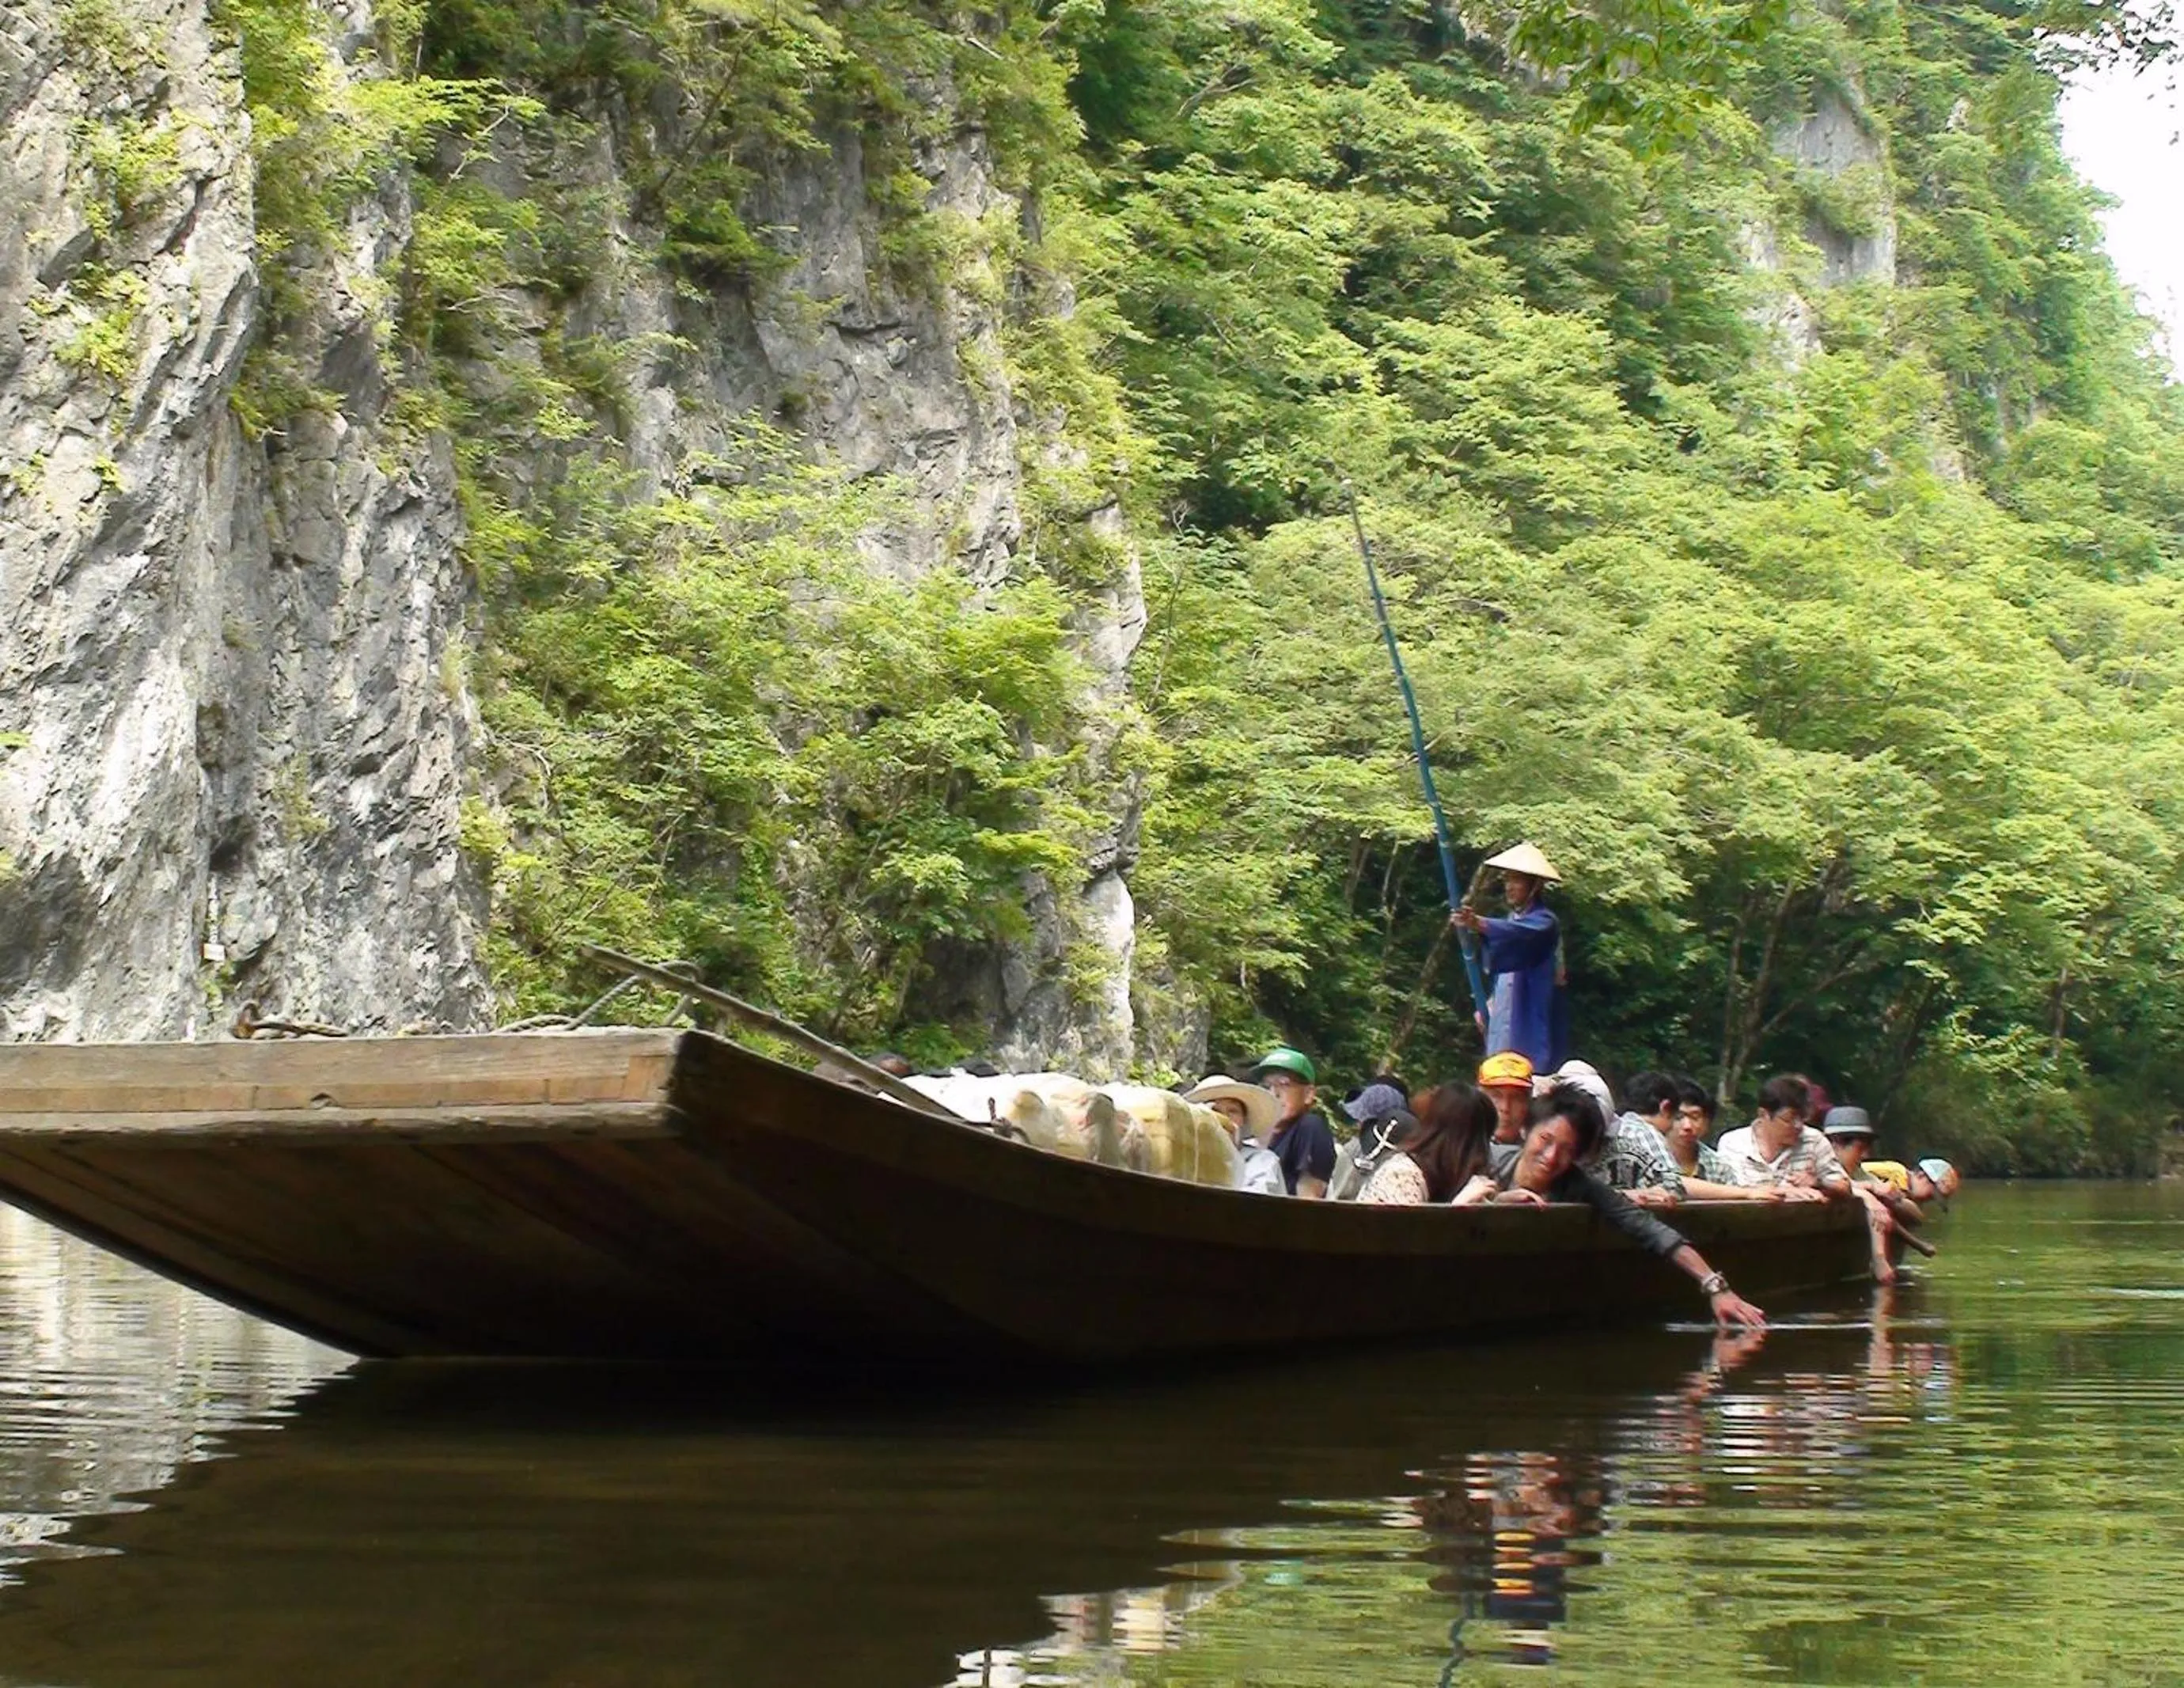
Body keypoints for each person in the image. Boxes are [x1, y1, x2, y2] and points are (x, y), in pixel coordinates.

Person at [1487, 1084, 1768, 1327]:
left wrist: (1716, 1286)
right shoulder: (1485, 1158)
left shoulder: (1578, 1184)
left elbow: (1650, 1229)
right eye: (1545, 1140)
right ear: (1526, 1131)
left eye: (1567, 1150)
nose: (1551, 1157)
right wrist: (1495, 1202)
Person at [1450, 842, 1565, 1069]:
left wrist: (1478, 923)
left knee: (1524, 1073)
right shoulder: (1511, 920)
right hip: (1503, 1019)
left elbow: (1517, 935)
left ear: (1535, 885)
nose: (1509, 887)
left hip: (1528, 1021)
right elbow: (1505, 970)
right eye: (1507, 880)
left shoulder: (1544, 922)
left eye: (1517, 880)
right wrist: (1491, 1003)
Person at [1546, 1060, 1682, 1205]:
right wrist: (1621, 1196)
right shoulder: (1546, 1149)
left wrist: (1658, 1193)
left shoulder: (1626, 1152)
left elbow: (1673, 1184)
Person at [1713, 1074, 1854, 1200]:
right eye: (1788, 1119)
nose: (1798, 1125)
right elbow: (1724, 1191)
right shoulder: (1733, 1143)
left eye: (1802, 1117)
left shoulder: (1814, 1141)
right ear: (1764, 1115)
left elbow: (1844, 1187)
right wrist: (1781, 1192)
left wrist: (1820, 1184)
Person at [1359, 1083, 1501, 1204]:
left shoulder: (1442, 1176)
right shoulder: (1402, 1176)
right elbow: (1401, 1235)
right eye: (1481, 1142)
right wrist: (1459, 1208)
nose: (1484, 1153)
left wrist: (1498, 1203)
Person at [1659, 1075, 1782, 1202]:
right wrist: (1747, 1192)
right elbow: (1674, 1183)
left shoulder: (1718, 1166)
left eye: (1695, 1117)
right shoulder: (1647, 1156)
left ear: (1708, 1121)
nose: (1687, 1126)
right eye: (1679, 1117)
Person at [1252, 1046, 1337, 1198]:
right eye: (1266, 1086)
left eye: (1284, 1084)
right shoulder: (1254, 1133)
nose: (1273, 1093)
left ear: (1309, 1094)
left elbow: (1308, 1203)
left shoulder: (1310, 1128)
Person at [1184, 1076, 1286, 1196]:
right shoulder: (1186, 1158)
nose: (1225, 1117)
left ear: (1243, 1120)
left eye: (1233, 1111)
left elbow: (1254, 1203)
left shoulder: (1262, 1161)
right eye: (1215, 1110)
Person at [1326, 1078, 1416, 1201]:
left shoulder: (1352, 1150)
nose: (1358, 1123)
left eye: (1362, 1118)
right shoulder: (1414, 1159)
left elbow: (1337, 1199)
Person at [1477, 1051, 1535, 1144]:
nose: (1505, 1108)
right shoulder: (1460, 1149)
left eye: (1516, 1098)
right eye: (1496, 1096)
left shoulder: (1536, 1152)